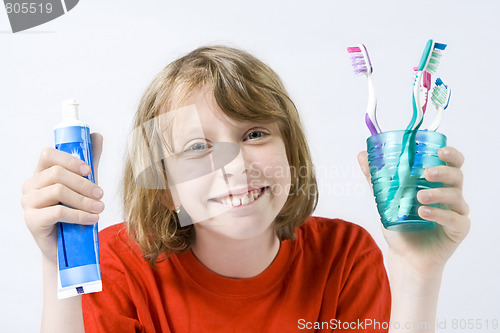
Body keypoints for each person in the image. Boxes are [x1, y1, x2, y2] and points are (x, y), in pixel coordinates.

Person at [21, 45, 470, 333]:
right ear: (164, 189)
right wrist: (55, 263)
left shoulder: (345, 255)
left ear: (291, 151)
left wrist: (417, 275)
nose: (235, 166)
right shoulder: (113, 263)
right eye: (198, 147)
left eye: (254, 134)